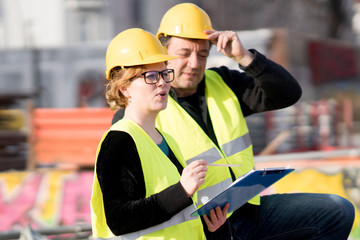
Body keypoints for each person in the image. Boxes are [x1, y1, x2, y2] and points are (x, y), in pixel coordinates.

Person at [112, 3, 355, 240]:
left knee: (337, 211)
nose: (195, 63)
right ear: (163, 53)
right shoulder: (142, 111)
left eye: (203, 54)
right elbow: (130, 205)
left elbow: (288, 93)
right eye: (184, 54)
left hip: (249, 212)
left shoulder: (224, 82)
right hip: (201, 227)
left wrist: (245, 57)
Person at [90, 28, 222, 240]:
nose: (162, 82)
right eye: (150, 76)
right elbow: (120, 219)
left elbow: (174, 218)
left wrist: (209, 227)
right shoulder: (119, 141)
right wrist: (182, 190)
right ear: (124, 88)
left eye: (164, 73)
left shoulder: (166, 141)